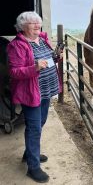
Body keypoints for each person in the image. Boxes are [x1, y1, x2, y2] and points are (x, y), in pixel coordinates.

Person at [7, 11, 63, 183]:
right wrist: (34, 67)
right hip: (31, 92)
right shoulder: (16, 45)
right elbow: (14, 72)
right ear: (23, 27)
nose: (37, 25)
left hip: (46, 89)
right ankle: (33, 167)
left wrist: (56, 58)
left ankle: (29, 153)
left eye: (38, 22)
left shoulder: (43, 39)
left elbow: (48, 61)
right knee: (34, 127)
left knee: (41, 121)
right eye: (32, 23)